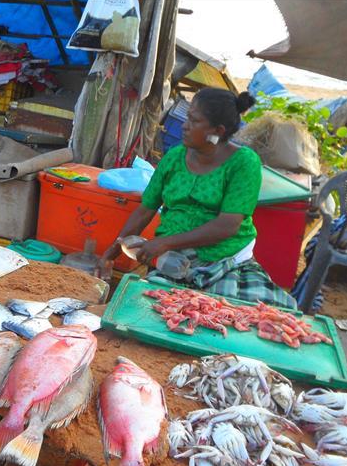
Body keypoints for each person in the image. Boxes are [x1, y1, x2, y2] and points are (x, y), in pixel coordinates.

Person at [100, 87, 297, 309]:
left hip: (223, 259)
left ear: (218, 131)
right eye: (187, 118)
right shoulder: (174, 158)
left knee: (258, 314)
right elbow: (145, 210)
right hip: (172, 259)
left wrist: (164, 242)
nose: (184, 125)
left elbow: (227, 225)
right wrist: (112, 252)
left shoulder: (243, 163)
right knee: (157, 310)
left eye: (194, 121)